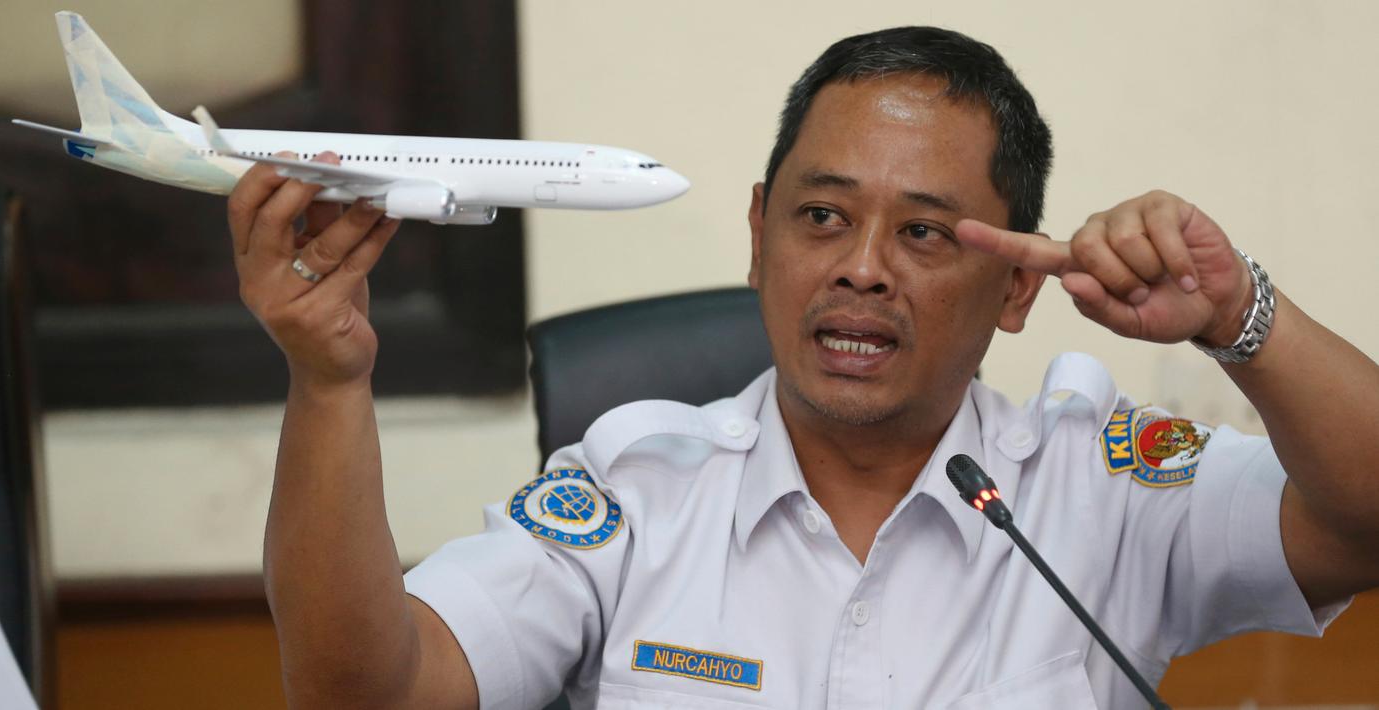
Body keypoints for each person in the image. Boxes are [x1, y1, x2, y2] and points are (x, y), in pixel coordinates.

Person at [226, 26, 1379, 710]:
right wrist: (328, 382)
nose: (862, 267)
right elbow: (365, 692)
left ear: (1017, 288)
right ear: (758, 233)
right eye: (822, 215)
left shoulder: (1105, 486)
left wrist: (1240, 316)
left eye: (924, 232)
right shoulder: (631, 497)